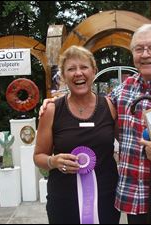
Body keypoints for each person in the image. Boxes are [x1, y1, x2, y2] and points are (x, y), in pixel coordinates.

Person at [40, 24, 151, 224]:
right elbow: (90, 105)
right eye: (139, 49)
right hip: (137, 204)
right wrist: (53, 104)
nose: (145, 54)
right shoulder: (123, 91)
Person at [33, 45, 120, 224]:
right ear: (64, 77)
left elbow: (128, 144)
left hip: (106, 196)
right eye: (71, 69)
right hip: (64, 198)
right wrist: (53, 161)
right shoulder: (51, 110)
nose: (78, 73)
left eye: (84, 67)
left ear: (94, 71)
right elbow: (38, 156)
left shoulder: (110, 106)